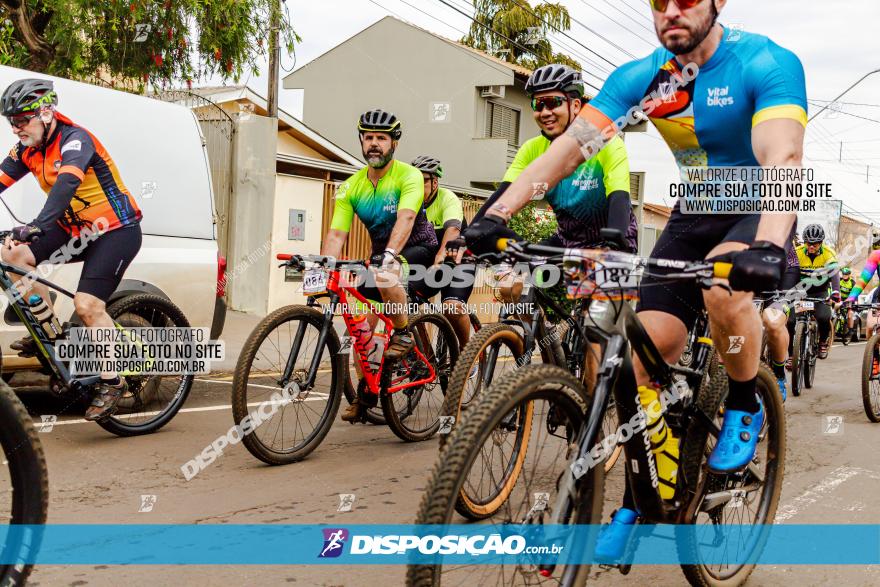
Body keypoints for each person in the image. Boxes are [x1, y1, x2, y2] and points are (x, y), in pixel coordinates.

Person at [463, 0, 806, 558]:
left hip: (759, 208)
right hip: (692, 215)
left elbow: (782, 155)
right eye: (657, 1)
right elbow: (570, 149)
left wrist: (768, 242)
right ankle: (645, 497)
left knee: (723, 288)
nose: (671, 10)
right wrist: (498, 212)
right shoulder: (642, 79)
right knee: (637, 364)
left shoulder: (764, 63)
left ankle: (746, 398)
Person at [0, 78, 143, 422]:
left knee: (87, 305)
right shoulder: (27, 150)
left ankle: (113, 380)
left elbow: (65, 186)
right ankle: (50, 333)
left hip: (114, 229)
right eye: (12, 122)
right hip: (74, 228)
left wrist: (35, 224)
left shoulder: (76, 140)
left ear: (46, 113)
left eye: (22, 119)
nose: (16, 128)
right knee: (14, 255)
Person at [320, 109, 438, 422]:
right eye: (369, 137)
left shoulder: (408, 175)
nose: (374, 144)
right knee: (360, 330)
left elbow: (406, 218)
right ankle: (367, 391)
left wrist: (389, 254)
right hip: (380, 255)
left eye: (381, 138)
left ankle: (402, 333)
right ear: (361, 141)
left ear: (394, 144)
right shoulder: (351, 186)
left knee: (388, 272)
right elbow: (336, 233)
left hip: (417, 248)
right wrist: (325, 265)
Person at [473, 63, 637, 252]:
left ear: (576, 105)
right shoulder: (531, 149)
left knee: (590, 278)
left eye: (553, 103)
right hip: (566, 241)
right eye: (538, 104)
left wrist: (616, 240)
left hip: (612, 239)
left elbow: (619, 197)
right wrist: (470, 234)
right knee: (523, 273)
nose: (544, 112)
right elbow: (504, 193)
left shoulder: (606, 142)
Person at [409, 155, 474, 348]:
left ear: (435, 182)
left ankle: (466, 353)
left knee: (451, 307)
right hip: (430, 259)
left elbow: (453, 230)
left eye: (422, 181)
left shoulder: (448, 198)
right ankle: (425, 355)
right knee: (405, 301)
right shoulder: (410, 202)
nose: (417, 186)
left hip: (460, 259)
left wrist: (439, 258)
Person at [761, 233, 800, 401]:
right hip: (748, 282)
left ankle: (778, 373)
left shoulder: (785, 244)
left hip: (781, 283)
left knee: (774, 322)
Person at [795, 224, 839, 359]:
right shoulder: (797, 252)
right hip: (801, 290)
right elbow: (790, 274)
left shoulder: (828, 253)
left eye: (816, 243)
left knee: (823, 317)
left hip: (820, 291)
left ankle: (822, 342)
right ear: (804, 242)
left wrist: (836, 292)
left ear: (821, 242)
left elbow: (835, 274)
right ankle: (793, 352)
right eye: (809, 243)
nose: (812, 246)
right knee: (792, 320)